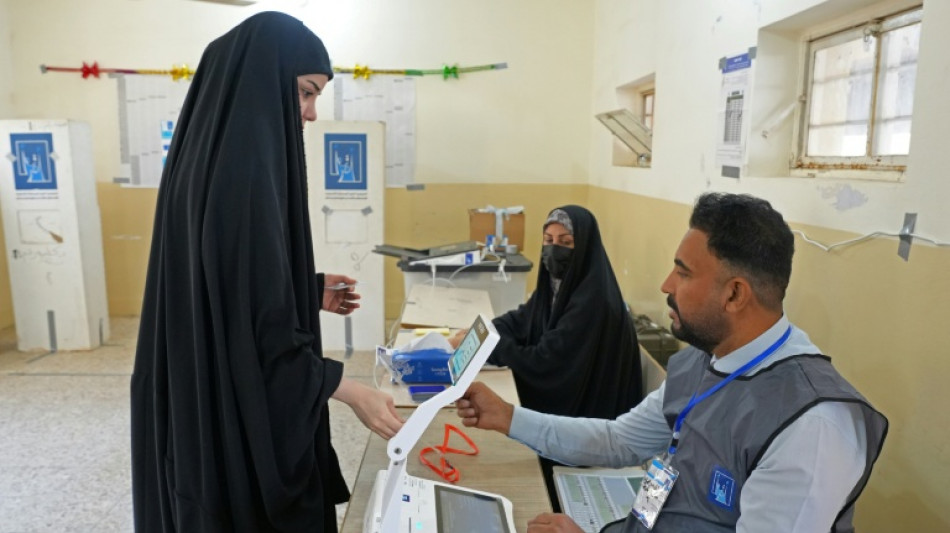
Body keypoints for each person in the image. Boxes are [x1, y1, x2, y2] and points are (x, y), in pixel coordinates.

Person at [456, 193, 888, 532]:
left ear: (735, 294)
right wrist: (508, 417)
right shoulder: (706, 359)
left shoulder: (811, 426)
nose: (666, 284)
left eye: (683, 273)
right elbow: (618, 441)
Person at [131, 13, 403, 532]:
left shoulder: (202, 155)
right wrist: (347, 388)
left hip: (198, 385)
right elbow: (259, 333)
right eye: (305, 93)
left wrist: (303, 288)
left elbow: (222, 285)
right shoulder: (249, 172)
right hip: (234, 411)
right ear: (264, 82)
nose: (311, 114)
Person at [450, 205, 642, 511]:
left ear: (585, 249)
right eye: (548, 240)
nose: (555, 250)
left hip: (593, 413)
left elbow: (545, 363)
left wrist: (488, 348)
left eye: (566, 243)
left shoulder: (592, 301)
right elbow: (523, 319)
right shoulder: (558, 286)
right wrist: (481, 333)